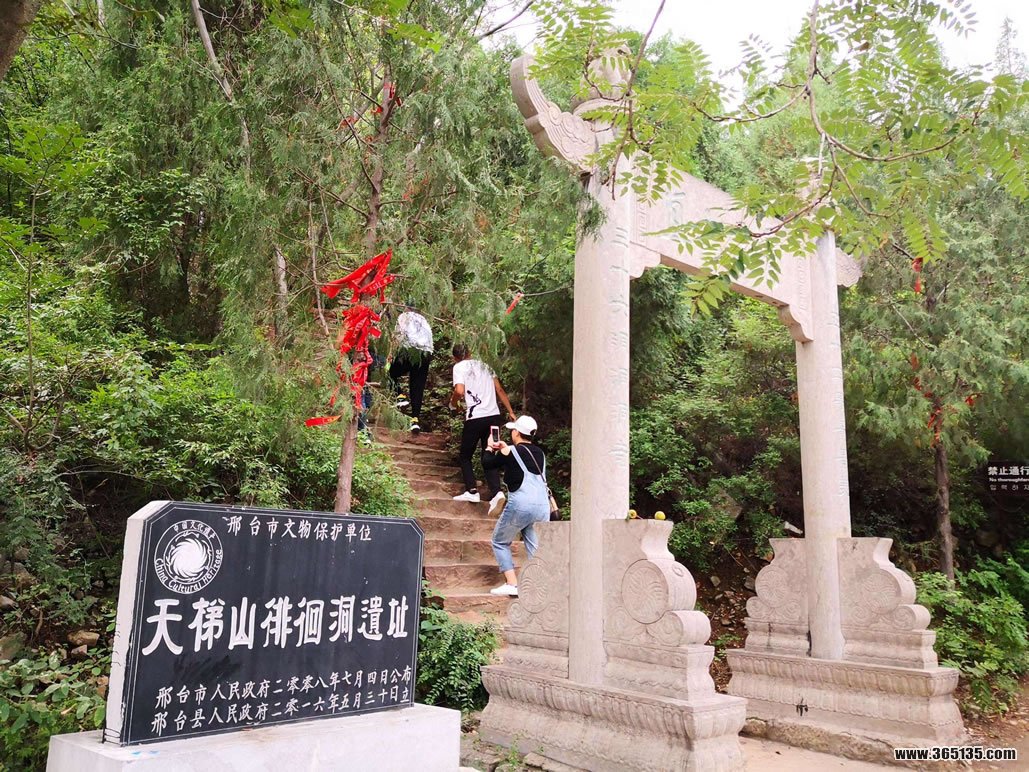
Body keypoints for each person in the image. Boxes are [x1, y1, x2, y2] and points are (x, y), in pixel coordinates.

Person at [482, 415, 549, 596]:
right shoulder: (540, 454)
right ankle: (540, 587)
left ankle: (512, 584)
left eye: (513, 430)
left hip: (521, 504)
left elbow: (488, 463)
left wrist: (489, 447)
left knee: (499, 541)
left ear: (517, 433)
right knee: (534, 546)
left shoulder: (510, 451)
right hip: (542, 506)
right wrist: (505, 449)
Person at [449, 344, 515, 505]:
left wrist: (453, 403)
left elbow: (459, 391)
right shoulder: (486, 366)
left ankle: (472, 491)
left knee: (465, 456)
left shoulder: (459, 367)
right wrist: (511, 412)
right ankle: (497, 492)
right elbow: (499, 390)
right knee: (489, 453)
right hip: (494, 417)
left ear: (455, 358)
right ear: (470, 353)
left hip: (476, 418)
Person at [388, 302, 433, 434]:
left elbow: (399, 335)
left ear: (406, 308)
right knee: (417, 387)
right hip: (425, 354)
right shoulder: (424, 320)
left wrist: (392, 354)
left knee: (390, 372)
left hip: (409, 350)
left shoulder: (404, 316)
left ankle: (400, 396)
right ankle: (415, 420)